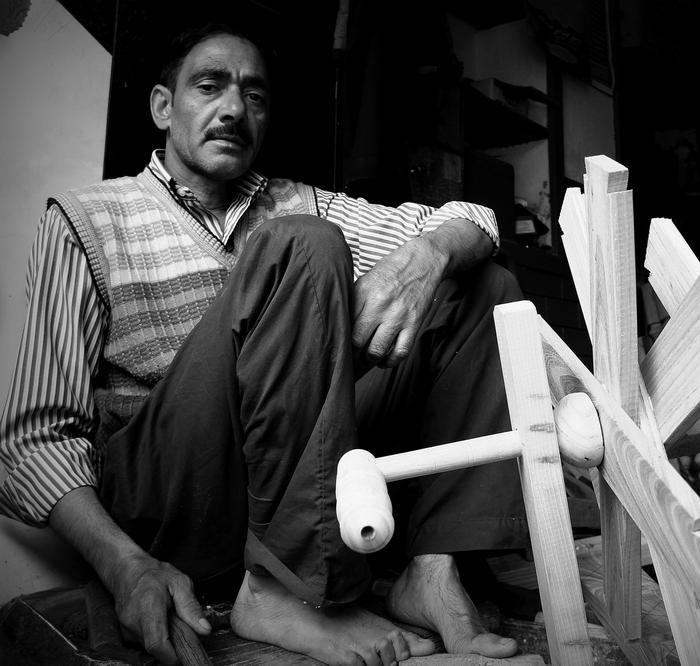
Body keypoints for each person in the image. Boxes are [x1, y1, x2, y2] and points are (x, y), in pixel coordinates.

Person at [0, 22, 530, 665]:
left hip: (297, 480)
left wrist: (426, 257)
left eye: (254, 96)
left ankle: (433, 569)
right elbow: (33, 442)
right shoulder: (87, 219)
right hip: (174, 497)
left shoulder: (295, 201)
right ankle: (283, 590)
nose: (233, 109)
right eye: (209, 86)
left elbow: (476, 221)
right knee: (302, 245)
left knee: (481, 286)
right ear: (164, 108)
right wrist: (126, 568)